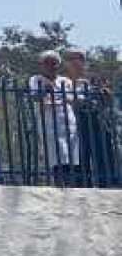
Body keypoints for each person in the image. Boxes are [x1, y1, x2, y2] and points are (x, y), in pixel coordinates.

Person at [64, 49, 117, 187]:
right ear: (67, 64)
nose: (76, 63)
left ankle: (107, 185)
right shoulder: (65, 82)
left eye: (80, 59)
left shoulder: (92, 80)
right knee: (81, 158)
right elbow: (69, 101)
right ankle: (83, 186)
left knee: (103, 156)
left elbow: (108, 99)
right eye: (72, 60)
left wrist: (105, 94)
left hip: (98, 122)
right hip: (77, 124)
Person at [29, 51, 83, 186]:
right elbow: (35, 96)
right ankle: (60, 184)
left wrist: (62, 97)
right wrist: (45, 92)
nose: (50, 66)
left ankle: (72, 184)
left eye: (53, 63)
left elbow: (72, 98)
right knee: (57, 155)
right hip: (49, 121)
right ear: (41, 65)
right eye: (46, 63)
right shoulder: (36, 79)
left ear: (58, 65)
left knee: (71, 155)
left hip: (68, 122)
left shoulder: (65, 81)